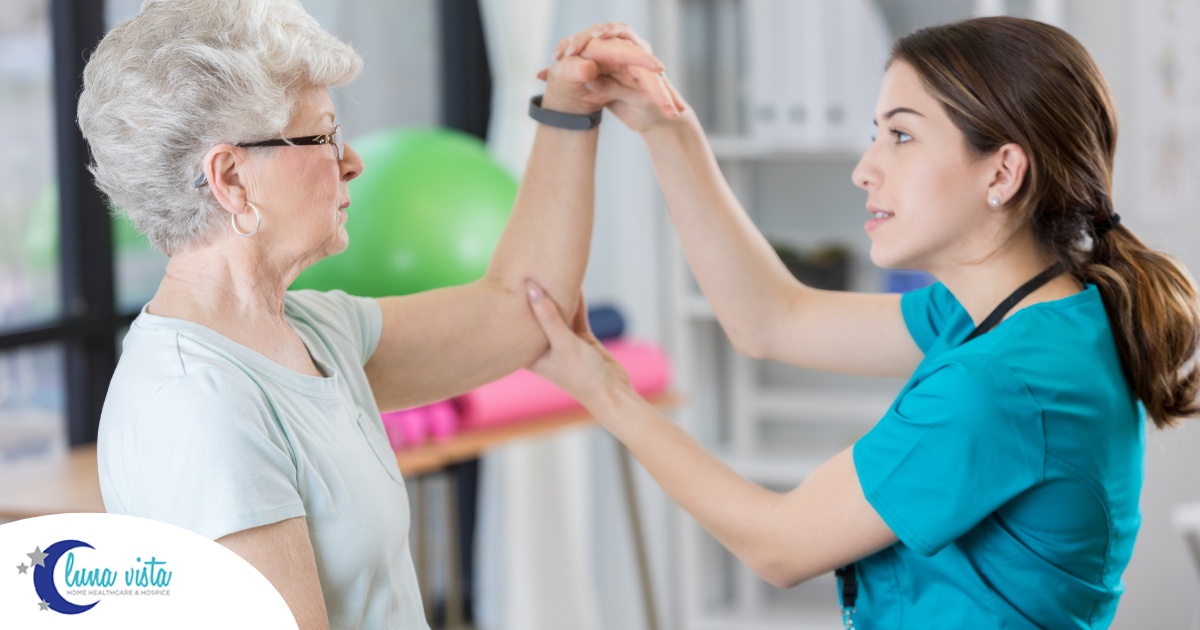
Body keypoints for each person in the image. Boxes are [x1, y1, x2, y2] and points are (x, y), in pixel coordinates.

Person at [527, 17, 1200, 628]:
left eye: (901, 135)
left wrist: (605, 393)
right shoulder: (1032, 311)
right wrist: (666, 127)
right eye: (874, 135)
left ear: (1003, 171)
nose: (863, 170)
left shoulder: (1002, 381)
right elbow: (773, 320)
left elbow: (780, 543)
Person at [77, 1, 673, 628]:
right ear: (229, 177)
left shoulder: (311, 332)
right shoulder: (197, 404)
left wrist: (566, 110)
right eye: (323, 135)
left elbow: (525, 312)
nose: (352, 160)